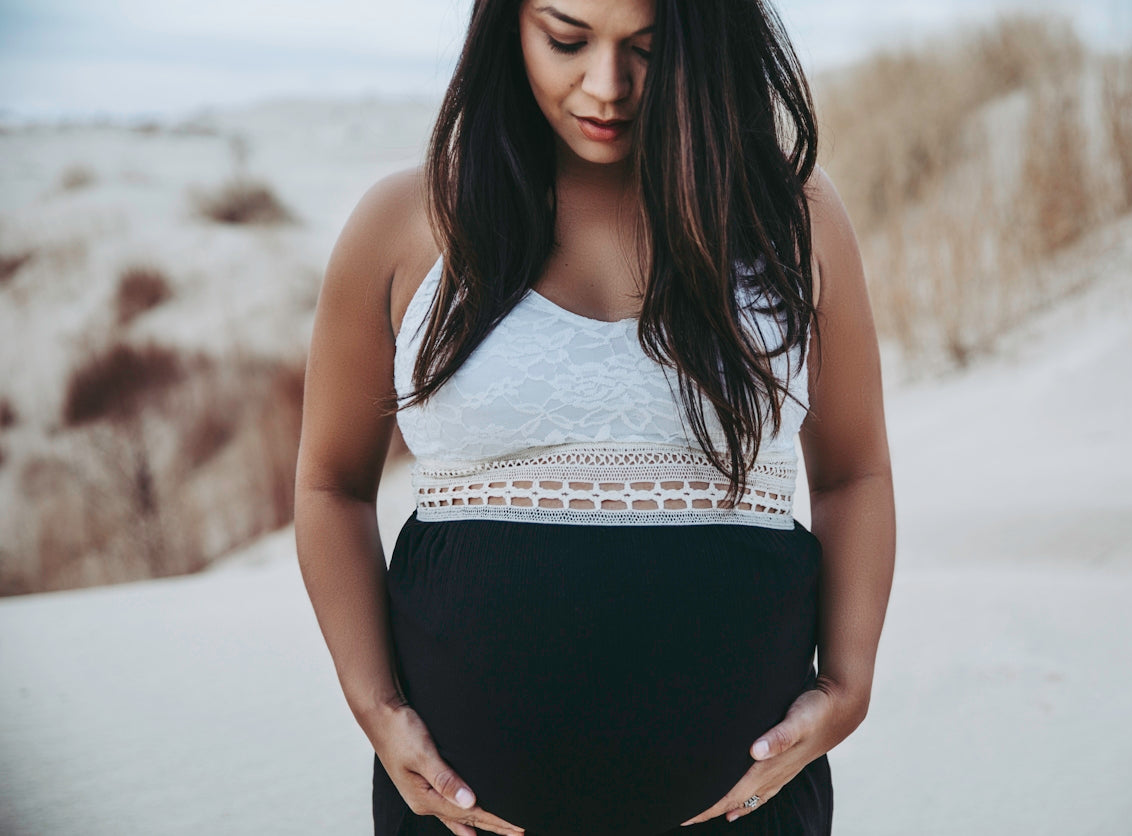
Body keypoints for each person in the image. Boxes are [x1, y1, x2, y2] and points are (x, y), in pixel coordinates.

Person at [294, 0, 895, 834]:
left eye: (648, 48)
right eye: (567, 39)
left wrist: (850, 684)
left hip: (745, 811)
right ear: (509, 26)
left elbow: (854, 471)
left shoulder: (789, 215)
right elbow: (331, 485)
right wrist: (375, 705)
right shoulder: (406, 221)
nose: (606, 86)